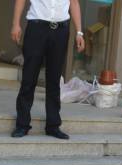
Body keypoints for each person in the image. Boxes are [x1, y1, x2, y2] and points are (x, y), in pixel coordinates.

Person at [10, 0, 85, 140]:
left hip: (61, 31)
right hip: (37, 28)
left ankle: (53, 126)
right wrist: (16, 24)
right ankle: (22, 124)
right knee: (29, 78)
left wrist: (79, 32)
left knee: (54, 80)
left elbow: (74, 3)